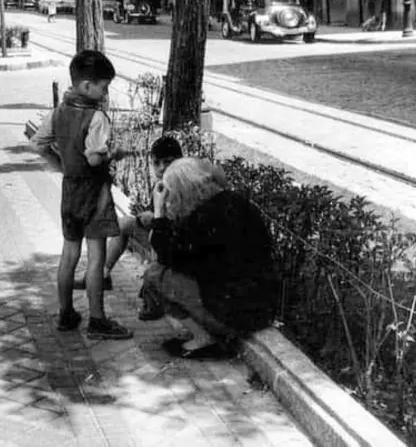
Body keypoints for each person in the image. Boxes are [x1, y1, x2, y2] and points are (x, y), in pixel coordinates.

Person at [31, 50, 133, 340]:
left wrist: (62, 166)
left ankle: (66, 313)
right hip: (94, 193)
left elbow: (38, 144)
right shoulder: (96, 117)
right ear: (88, 86)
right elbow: (94, 160)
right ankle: (98, 320)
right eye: (104, 86)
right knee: (97, 257)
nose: (105, 92)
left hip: (70, 190)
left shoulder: (59, 111)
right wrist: (115, 153)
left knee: (69, 253)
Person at [139, 157, 279, 357]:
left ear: (183, 192)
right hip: (261, 308)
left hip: (234, 315)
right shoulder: (233, 201)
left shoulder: (203, 218)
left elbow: (165, 255)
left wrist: (159, 212)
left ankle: (204, 338)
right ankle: (207, 331)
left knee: (154, 275)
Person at [73, 135, 183, 293]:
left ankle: (153, 290)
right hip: (161, 235)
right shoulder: (161, 184)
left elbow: (176, 223)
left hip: (174, 247)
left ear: (179, 161)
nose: (161, 168)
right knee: (124, 224)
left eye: (167, 162)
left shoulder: (181, 185)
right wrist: (148, 215)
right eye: (156, 163)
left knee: (152, 237)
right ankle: (101, 275)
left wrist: (153, 218)